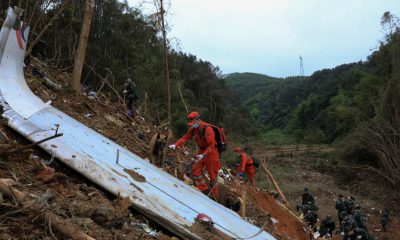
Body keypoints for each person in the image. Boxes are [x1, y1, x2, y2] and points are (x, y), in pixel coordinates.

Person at [169, 111, 221, 199]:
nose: (192, 125)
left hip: (211, 153)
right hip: (202, 151)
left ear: (198, 120)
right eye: (191, 124)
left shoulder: (208, 129)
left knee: (213, 176)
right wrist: (176, 144)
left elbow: (211, 146)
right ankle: (205, 190)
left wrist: (204, 155)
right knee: (195, 170)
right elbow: (186, 137)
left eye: (193, 123)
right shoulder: (193, 128)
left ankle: (215, 197)